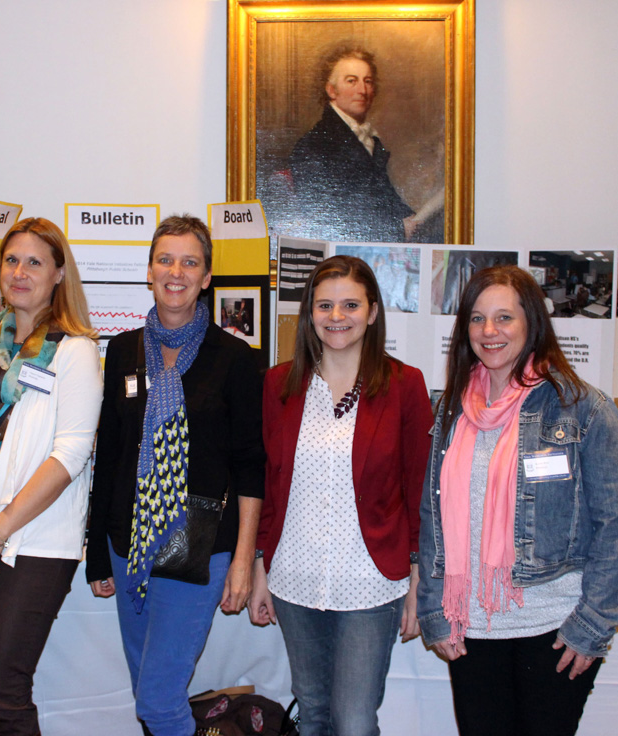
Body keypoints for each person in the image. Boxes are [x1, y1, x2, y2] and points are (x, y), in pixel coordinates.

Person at [416, 265, 618, 736]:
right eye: (477, 318)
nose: (489, 331)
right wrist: (434, 609)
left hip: (554, 629)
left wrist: (593, 623)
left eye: (504, 318)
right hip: (470, 629)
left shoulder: (584, 408)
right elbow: (432, 514)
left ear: (532, 323)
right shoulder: (450, 407)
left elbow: (615, 527)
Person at [86, 215, 265, 736]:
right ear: (148, 271)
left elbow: (251, 466)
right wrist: (99, 551)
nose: (176, 271)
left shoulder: (234, 358)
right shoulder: (122, 349)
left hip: (199, 544)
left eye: (190, 261)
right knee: (149, 690)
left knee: (159, 702)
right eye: (165, 259)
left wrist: (244, 561)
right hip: (129, 542)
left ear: (207, 277)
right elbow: (111, 454)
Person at [248, 255, 433, 735]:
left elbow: (418, 488)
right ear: (309, 312)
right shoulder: (279, 384)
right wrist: (259, 566)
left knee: (353, 722)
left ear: (373, 312)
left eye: (350, 304)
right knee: (312, 715)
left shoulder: (404, 385)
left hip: (372, 582)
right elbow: (270, 484)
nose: (337, 317)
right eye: (325, 305)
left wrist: (419, 578)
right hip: (293, 578)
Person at [0, 217, 102, 735]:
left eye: (35, 262)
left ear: (59, 273)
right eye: (11, 260)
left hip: (35, 542)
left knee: (2, 692)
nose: (20, 272)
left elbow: (70, 455)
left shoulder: (75, 350)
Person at [289, 45, 420, 243]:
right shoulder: (314, 145)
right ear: (332, 90)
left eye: (367, 82)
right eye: (351, 81)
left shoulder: (371, 140)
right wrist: (397, 228)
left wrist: (412, 218)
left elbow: (383, 196)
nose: (362, 90)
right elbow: (330, 216)